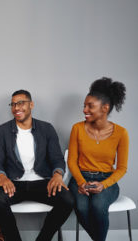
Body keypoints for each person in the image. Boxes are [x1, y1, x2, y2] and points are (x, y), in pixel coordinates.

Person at [0, 89, 74, 241]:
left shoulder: (46, 129)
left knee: (68, 199)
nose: (16, 108)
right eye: (13, 104)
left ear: (31, 105)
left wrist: (57, 175)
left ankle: (43, 239)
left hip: (43, 183)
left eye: (21, 103)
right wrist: (2, 177)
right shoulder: (2, 131)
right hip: (14, 183)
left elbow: (57, 158)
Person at [68, 77, 129, 241]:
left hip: (106, 179)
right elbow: (72, 161)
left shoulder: (121, 133)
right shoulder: (77, 128)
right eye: (84, 105)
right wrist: (81, 182)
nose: (84, 109)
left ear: (105, 108)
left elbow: (122, 167)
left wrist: (104, 184)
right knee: (81, 207)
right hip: (81, 178)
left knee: (98, 205)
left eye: (90, 106)